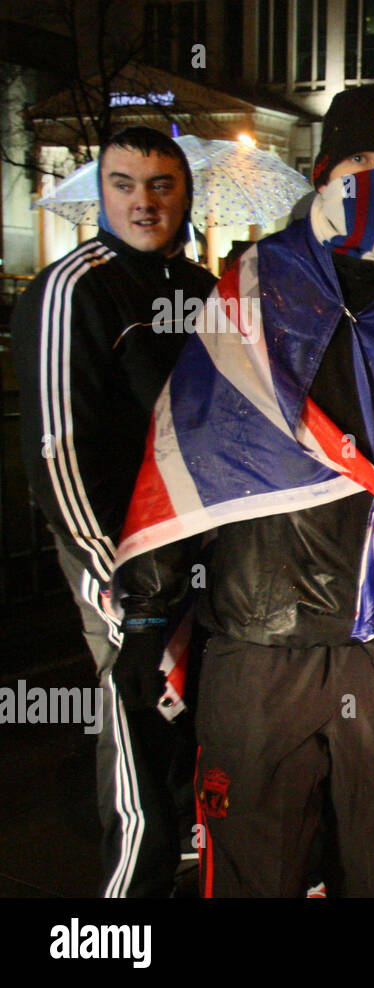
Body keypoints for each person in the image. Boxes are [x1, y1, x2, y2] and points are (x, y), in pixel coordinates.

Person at [115, 86, 374, 895]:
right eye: (361, 161)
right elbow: (195, 454)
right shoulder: (254, 287)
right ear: (322, 172)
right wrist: (149, 605)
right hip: (259, 636)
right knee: (251, 865)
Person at [12, 126, 215, 897]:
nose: (143, 200)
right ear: (100, 191)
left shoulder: (202, 289)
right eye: (125, 183)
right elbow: (56, 448)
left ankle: (187, 855)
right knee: (134, 707)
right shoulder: (73, 288)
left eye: (161, 184)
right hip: (120, 550)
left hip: (197, 542)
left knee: (188, 700)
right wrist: (108, 566)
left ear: (183, 194)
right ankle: (126, 901)